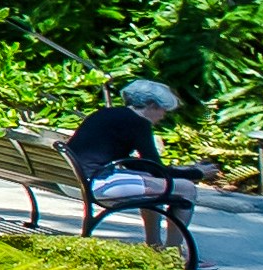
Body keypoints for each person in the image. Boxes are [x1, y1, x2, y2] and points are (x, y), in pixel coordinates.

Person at [68, 78, 200, 251]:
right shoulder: (138, 123)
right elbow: (157, 169)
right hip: (95, 184)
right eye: (163, 111)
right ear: (152, 105)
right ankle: (174, 252)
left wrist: (182, 170)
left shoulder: (105, 114)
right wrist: (197, 174)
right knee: (186, 188)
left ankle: (154, 247)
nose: (162, 116)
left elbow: (140, 165)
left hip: (73, 178)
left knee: (154, 186)